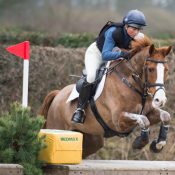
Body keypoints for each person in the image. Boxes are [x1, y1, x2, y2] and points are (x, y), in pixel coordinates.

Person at [71, 9, 147, 124]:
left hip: (116, 57)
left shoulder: (139, 36)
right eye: (134, 29)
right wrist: (123, 54)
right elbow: (106, 55)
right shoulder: (114, 32)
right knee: (91, 76)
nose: (136, 32)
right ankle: (79, 110)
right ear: (126, 26)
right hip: (98, 54)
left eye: (138, 29)